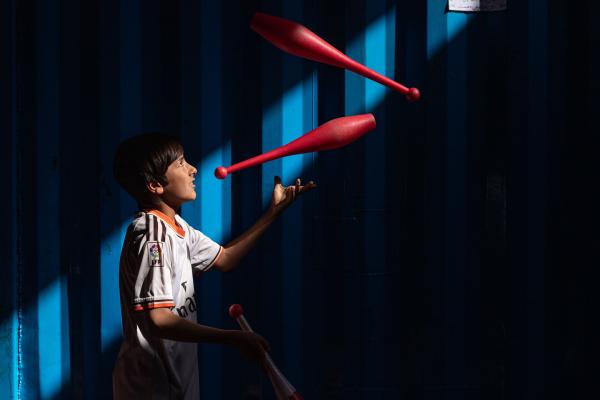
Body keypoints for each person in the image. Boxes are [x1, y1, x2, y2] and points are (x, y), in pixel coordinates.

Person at [111, 133, 316, 399]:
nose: (193, 169)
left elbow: (226, 259)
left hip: (173, 386)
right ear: (155, 185)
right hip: (151, 390)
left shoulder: (177, 228)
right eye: (181, 164)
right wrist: (233, 338)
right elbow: (158, 319)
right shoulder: (153, 236)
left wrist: (273, 212)